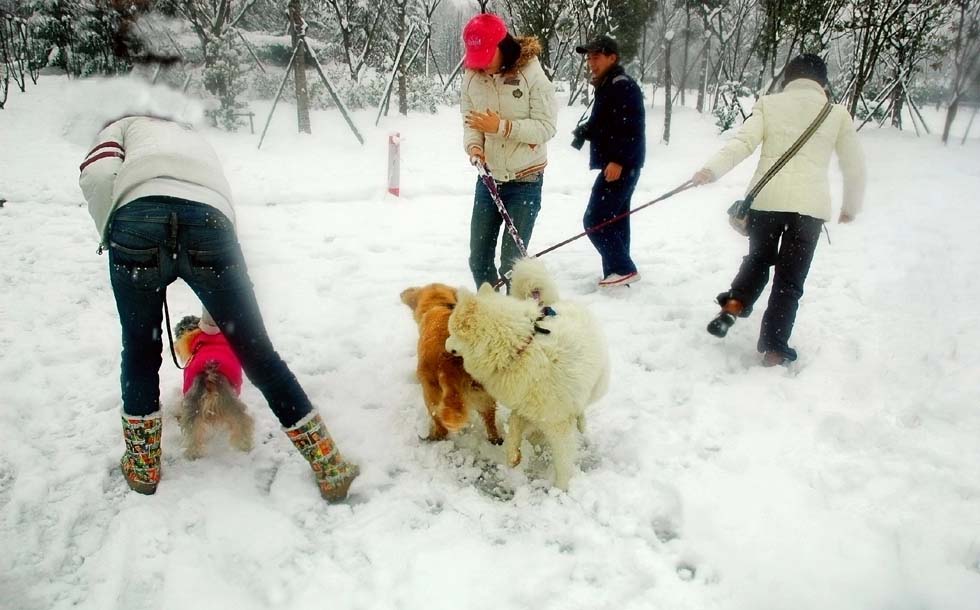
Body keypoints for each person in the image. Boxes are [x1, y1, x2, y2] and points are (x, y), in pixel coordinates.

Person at [79, 111, 359, 500]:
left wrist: (114, 234)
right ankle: (329, 465)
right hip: (211, 220)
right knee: (259, 355)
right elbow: (217, 203)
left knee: (141, 350)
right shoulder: (195, 138)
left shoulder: (121, 125)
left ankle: (143, 468)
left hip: (136, 221)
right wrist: (218, 309)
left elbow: (96, 175)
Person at [690, 54, 866, 366]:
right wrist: (850, 205)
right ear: (822, 82)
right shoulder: (837, 113)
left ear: (788, 78)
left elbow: (742, 143)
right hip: (809, 210)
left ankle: (732, 305)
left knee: (758, 261)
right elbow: (854, 165)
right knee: (790, 280)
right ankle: (773, 348)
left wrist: (710, 171)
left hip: (767, 203)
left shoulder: (769, 104)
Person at [460, 13, 557, 289]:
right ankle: (492, 315)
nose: (481, 66)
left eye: (486, 57)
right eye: (475, 58)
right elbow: (470, 120)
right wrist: (475, 145)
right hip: (489, 178)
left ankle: (517, 321)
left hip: (525, 181)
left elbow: (546, 127)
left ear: (503, 46)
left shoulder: (532, 75)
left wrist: (502, 127)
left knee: (511, 264)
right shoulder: (471, 76)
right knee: (478, 258)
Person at [574, 35, 646, 288]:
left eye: (597, 56)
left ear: (612, 57)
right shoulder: (608, 85)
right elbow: (608, 123)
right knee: (615, 220)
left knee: (595, 220)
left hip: (621, 166)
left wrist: (618, 160)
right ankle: (616, 275)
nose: (591, 62)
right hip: (622, 164)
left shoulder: (621, 85)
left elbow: (631, 126)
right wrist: (586, 131)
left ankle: (623, 268)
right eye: (589, 57)